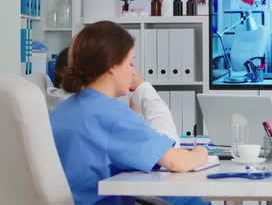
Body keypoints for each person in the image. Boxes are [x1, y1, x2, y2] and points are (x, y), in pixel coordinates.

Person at [50, 21, 208, 205]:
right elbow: (176, 162)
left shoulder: (62, 111)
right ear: (112, 66)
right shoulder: (112, 115)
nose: (133, 72)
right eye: (130, 63)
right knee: (191, 200)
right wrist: (200, 154)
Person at [47, 47, 181, 144]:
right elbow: (168, 147)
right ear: (109, 69)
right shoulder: (100, 114)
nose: (133, 71)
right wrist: (143, 88)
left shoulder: (55, 104)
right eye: (130, 64)